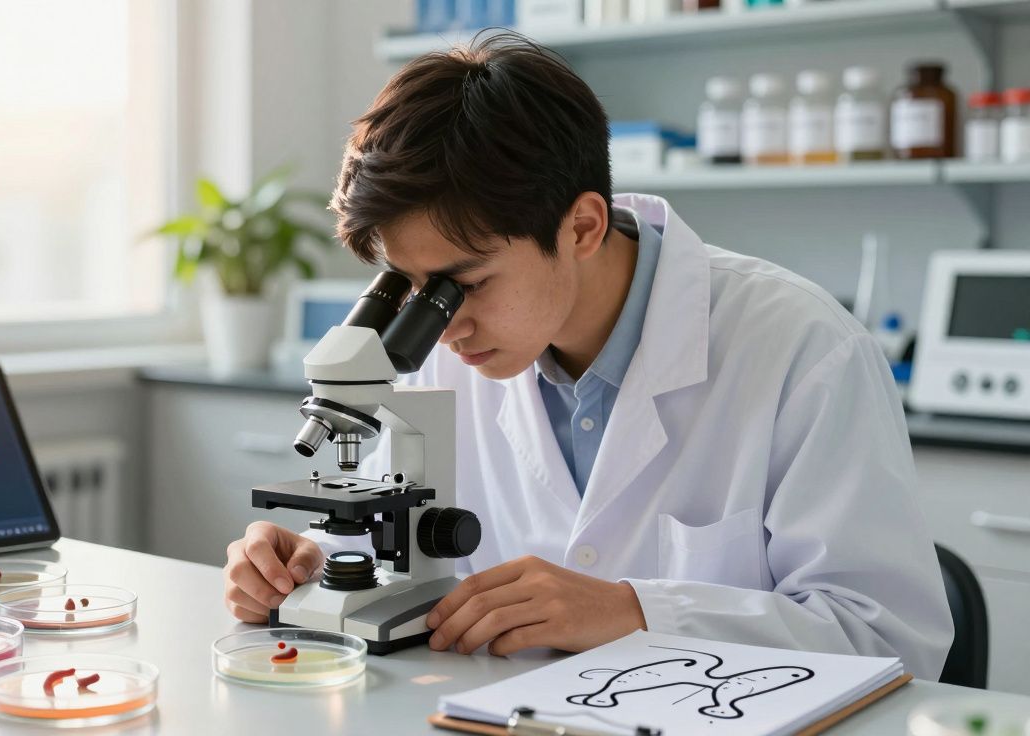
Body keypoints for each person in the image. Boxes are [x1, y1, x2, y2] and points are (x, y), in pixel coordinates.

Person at [222, 32, 952, 678]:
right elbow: (403, 543)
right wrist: (315, 562)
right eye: (411, 288)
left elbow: (888, 638)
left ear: (581, 226)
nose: (441, 326)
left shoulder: (804, 350)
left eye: (463, 286)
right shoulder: (447, 347)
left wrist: (635, 612)